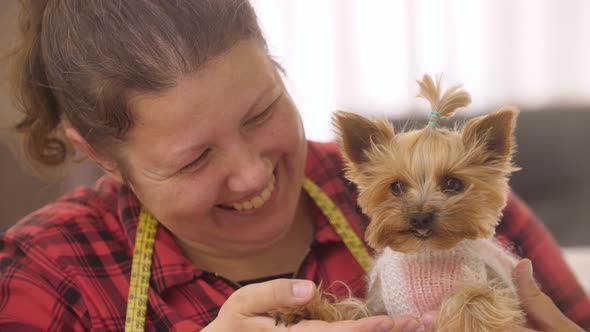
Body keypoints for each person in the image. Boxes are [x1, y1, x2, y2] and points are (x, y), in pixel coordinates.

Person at [0, 1, 588, 331]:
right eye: (196, 158)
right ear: (103, 156)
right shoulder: (47, 277)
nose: (255, 175)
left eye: (261, 113)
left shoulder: (469, 221)